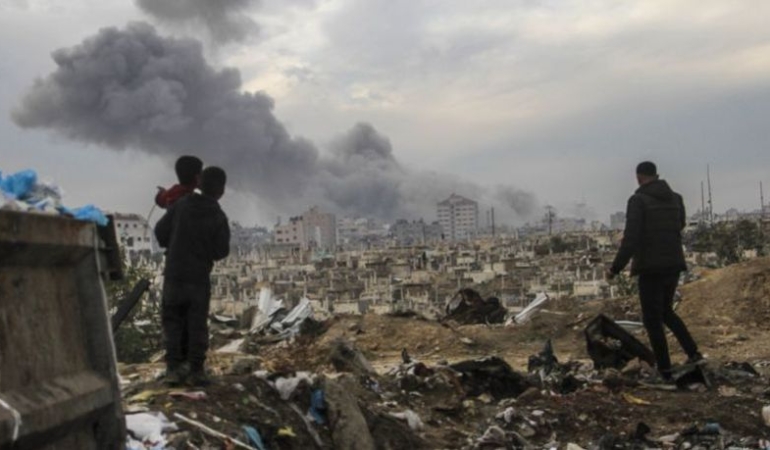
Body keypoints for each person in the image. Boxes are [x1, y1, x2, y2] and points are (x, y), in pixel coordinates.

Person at [606, 161, 703, 382]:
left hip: (650, 267)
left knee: (652, 319)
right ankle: (693, 353)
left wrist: (615, 268)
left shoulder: (638, 200)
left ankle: (665, 370)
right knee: (666, 311)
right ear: (656, 175)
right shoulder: (676, 198)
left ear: (639, 177)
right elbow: (680, 224)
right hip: (673, 263)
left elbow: (631, 239)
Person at [154, 166, 230, 386]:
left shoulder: (181, 205)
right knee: (197, 323)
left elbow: (160, 232)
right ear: (221, 191)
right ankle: (196, 370)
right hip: (198, 277)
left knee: (172, 322)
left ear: (199, 184)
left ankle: (173, 370)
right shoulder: (218, 215)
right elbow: (221, 251)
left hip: (174, 274)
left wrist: (175, 242)